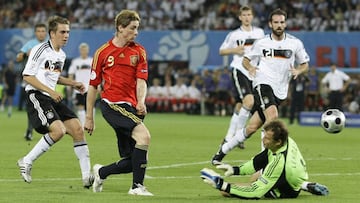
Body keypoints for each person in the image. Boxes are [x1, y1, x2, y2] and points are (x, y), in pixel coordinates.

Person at [211, 8, 310, 164]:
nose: (279, 25)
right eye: (276, 22)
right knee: (273, 117)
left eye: (282, 22)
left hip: (280, 90)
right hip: (262, 83)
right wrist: (250, 68)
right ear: (270, 24)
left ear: (285, 24)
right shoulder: (262, 42)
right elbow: (245, 60)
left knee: (251, 128)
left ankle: (221, 152)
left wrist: (298, 70)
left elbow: (305, 64)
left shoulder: (295, 43)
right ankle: (266, 161)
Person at [16, 16, 93, 189]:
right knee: (59, 131)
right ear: (52, 33)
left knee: (77, 129)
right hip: (36, 95)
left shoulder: (62, 54)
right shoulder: (40, 49)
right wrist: (51, 91)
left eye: (68, 32)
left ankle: (87, 177)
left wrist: (73, 83)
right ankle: (26, 161)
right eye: (62, 32)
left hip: (50, 96)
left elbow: (54, 77)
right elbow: (27, 76)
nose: (66, 36)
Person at [84, 9, 153, 196]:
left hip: (131, 107)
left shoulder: (139, 51)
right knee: (144, 137)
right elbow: (93, 87)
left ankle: (101, 172)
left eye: (137, 28)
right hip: (111, 104)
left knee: (134, 160)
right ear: (120, 28)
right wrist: (89, 117)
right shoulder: (103, 52)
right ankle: (136, 187)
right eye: (132, 28)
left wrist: (141, 101)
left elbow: (141, 80)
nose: (136, 32)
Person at [201, 119, 329, 199]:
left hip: (288, 190)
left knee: (230, 191)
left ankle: (300, 186)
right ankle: (304, 185)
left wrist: (223, 185)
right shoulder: (287, 141)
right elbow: (257, 162)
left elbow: (254, 192)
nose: (263, 140)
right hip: (295, 174)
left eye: (267, 139)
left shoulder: (279, 164)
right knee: (257, 173)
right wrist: (234, 170)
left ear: (278, 142)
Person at [212, 5, 265, 161]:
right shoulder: (234, 35)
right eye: (244, 15)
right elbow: (222, 51)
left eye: (249, 14)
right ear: (240, 17)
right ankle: (239, 134)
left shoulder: (259, 33)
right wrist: (235, 50)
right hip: (239, 69)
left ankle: (229, 137)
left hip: (254, 71)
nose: (247, 17)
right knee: (249, 101)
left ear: (252, 16)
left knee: (240, 106)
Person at [16, 23, 47, 141]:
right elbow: (18, 58)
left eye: (43, 31)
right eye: (38, 31)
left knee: (47, 105)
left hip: (45, 80)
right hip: (32, 80)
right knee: (32, 106)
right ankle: (30, 130)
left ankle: (48, 129)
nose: (41, 33)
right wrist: (24, 54)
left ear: (46, 32)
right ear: (35, 33)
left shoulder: (49, 45)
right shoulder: (30, 44)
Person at [68, 42, 93, 127]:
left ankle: (91, 123)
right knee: (80, 106)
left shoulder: (91, 61)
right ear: (80, 51)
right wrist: (70, 84)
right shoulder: (75, 62)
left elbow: (96, 74)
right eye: (82, 49)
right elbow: (71, 73)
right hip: (79, 88)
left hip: (90, 87)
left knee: (90, 106)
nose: (83, 51)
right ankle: (82, 124)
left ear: (88, 50)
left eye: (85, 49)